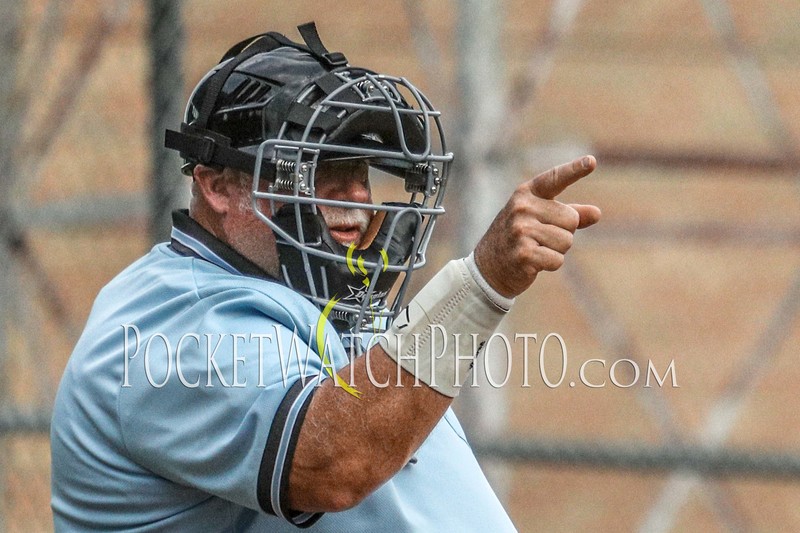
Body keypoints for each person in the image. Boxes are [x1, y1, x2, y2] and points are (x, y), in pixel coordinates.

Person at [50, 22, 600, 531]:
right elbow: (337, 463)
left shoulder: (307, 294)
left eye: (359, 171)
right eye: (321, 170)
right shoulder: (170, 324)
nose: (357, 198)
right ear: (217, 186)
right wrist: (483, 285)